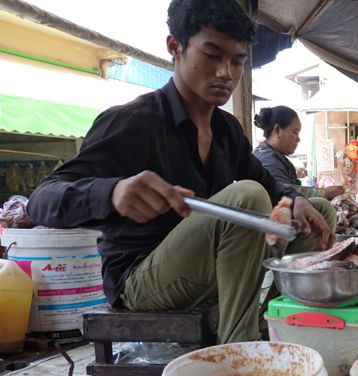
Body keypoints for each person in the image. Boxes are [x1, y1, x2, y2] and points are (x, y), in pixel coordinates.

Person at [26, 0, 335, 345]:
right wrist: (112, 192)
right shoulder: (133, 122)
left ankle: (281, 325)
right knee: (246, 198)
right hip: (140, 280)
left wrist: (294, 198)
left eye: (236, 61)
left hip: (205, 272)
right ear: (175, 47)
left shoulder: (228, 130)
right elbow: (41, 200)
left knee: (317, 211)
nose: (226, 73)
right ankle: (240, 351)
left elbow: (268, 182)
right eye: (211, 55)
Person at [253, 106, 342, 202]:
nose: (298, 139)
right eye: (295, 132)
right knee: (323, 205)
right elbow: (283, 193)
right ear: (277, 130)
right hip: (273, 215)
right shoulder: (266, 159)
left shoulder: (277, 157)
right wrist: (323, 193)